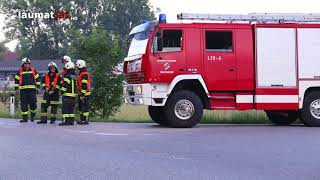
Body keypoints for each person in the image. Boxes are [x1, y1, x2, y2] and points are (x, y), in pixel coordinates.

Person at [14, 58, 41, 123]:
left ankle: (32, 116)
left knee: (33, 104)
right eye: (26, 64)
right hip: (23, 91)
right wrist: (16, 89)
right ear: (23, 64)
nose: (27, 65)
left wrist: (38, 87)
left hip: (32, 91)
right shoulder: (20, 71)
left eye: (28, 63)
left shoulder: (33, 70)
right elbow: (16, 80)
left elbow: (37, 78)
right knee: (24, 105)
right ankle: (25, 119)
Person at [59, 61, 77, 126]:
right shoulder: (74, 76)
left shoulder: (67, 76)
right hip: (73, 96)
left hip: (67, 95)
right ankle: (71, 121)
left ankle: (65, 121)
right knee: (71, 109)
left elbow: (65, 85)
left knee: (65, 108)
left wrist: (61, 92)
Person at [76, 60, 91, 125]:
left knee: (84, 107)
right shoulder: (82, 72)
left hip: (84, 94)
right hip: (82, 93)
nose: (77, 67)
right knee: (81, 107)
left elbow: (84, 86)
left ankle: (85, 120)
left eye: (78, 65)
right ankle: (82, 120)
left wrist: (82, 95)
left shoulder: (84, 73)